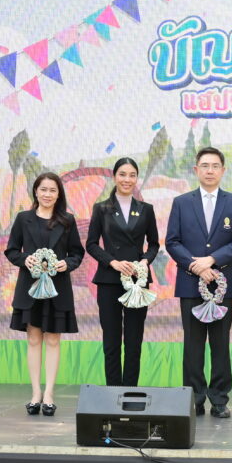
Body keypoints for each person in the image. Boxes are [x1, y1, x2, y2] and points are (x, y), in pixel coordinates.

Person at [165, 147, 232, 418]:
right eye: (205, 165)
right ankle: (195, 398)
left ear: (223, 170)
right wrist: (195, 266)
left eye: (215, 166)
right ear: (196, 170)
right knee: (193, 344)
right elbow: (172, 242)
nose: (210, 170)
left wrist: (211, 260)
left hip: (222, 283)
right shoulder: (181, 202)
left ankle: (219, 399)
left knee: (220, 343)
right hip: (190, 282)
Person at [5, 171, 84, 417]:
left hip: (57, 288)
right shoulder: (23, 218)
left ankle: (49, 394)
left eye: (52, 190)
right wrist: (24, 259)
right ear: (36, 192)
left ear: (58, 194)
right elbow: (11, 250)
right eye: (43, 189)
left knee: (53, 340)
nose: (47, 194)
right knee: (33, 339)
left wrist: (66, 264)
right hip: (29, 288)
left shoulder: (67, 221)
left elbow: (77, 254)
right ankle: (35, 393)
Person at [85, 157, 160, 387]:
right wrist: (113, 262)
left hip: (137, 281)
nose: (127, 179)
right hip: (109, 280)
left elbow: (154, 244)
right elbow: (91, 244)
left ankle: (130, 391)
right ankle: (113, 392)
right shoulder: (101, 209)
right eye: (122, 174)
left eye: (132, 175)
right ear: (114, 177)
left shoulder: (146, 209)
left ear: (137, 178)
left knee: (134, 341)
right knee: (111, 341)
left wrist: (145, 261)